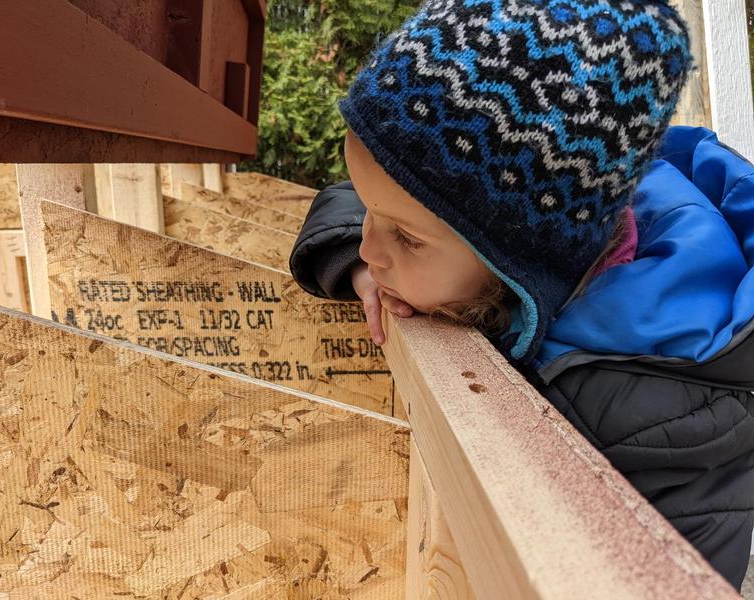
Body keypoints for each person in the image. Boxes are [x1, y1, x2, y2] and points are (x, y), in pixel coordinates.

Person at [288, 0, 754, 589]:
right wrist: (357, 265)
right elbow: (359, 203)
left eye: (404, 237)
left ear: (517, 264)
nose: (372, 246)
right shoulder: (542, 199)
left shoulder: (672, 414)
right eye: (371, 212)